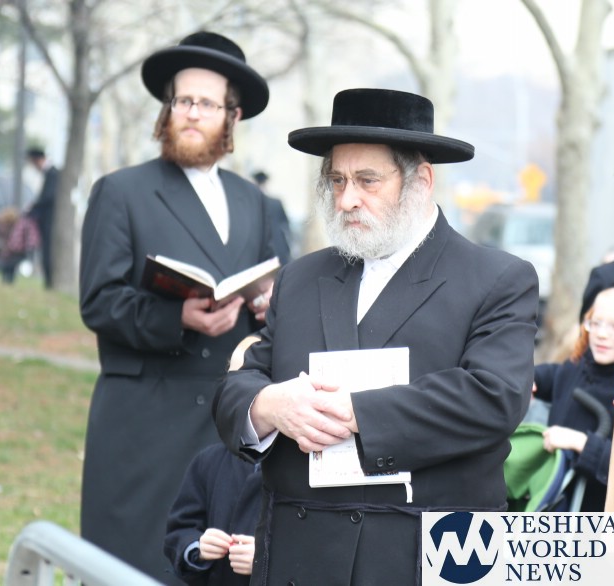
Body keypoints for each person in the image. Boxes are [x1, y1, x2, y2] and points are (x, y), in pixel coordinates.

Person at [213, 88, 540, 585]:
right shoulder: (301, 278)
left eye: (367, 180)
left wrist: (356, 412)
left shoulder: (497, 278)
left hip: (426, 554)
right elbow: (244, 380)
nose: (347, 199)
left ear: (421, 181)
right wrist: (269, 406)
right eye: (337, 180)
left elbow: (494, 395)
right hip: (301, 553)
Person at [78, 31, 274, 583]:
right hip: (143, 422)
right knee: (130, 566)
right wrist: (177, 317)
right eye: (182, 100)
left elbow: (273, 287)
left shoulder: (256, 203)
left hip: (224, 424)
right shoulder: (121, 191)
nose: (191, 113)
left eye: (206, 103)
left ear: (233, 116)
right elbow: (98, 301)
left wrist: (267, 305)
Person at [534, 286, 614, 511]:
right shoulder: (578, 367)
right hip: (556, 506)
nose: (602, 334)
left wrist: (581, 443)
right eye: (596, 323)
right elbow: (551, 376)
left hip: (599, 518)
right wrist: (528, 380)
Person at [164, 442, 261, 586]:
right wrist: (197, 546)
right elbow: (180, 530)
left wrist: (270, 563)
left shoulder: (299, 471)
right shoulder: (211, 459)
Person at [26, 147, 58, 289]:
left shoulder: (53, 174)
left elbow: (48, 197)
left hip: (49, 221)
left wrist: (34, 207)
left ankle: (49, 282)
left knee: (48, 250)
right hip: (45, 220)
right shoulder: (49, 174)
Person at [252, 170, 293, 265]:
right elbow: (286, 225)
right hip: (279, 246)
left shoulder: (254, 204)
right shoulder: (276, 202)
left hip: (261, 247)